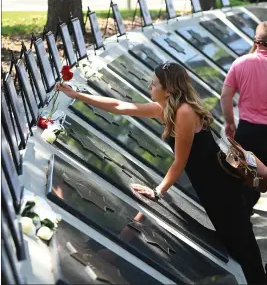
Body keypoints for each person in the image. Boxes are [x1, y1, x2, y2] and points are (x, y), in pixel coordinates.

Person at [57, 62, 267, 284]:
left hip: (221, 191)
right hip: (209, 189)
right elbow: (120, 105)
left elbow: (179, 161)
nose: (150, 86)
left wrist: (158, 192)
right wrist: (76, 95)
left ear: (169, 89)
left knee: (245, 253)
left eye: (155, 84)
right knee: (237, 247)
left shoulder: (184, 112)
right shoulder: (167, 109)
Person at [220, 21, 267, 214]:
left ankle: (233, 215)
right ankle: (244, 215)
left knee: (237, 173)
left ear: (256, 41)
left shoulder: (241, 63)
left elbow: (225, 96)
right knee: (258, 182)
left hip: (246, 132)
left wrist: (230, 122)